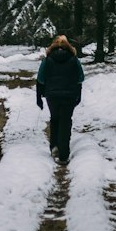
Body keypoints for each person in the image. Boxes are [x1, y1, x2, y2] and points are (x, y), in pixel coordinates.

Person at [36, 34, 84, 163]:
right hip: (69, 95)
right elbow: (81, 78)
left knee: (55, 119)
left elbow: (40, 78)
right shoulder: (74, 59)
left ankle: (54, 147)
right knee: (66, 121)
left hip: (52, 96)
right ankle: (64, 154)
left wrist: (42, 94)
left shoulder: (47, 60)